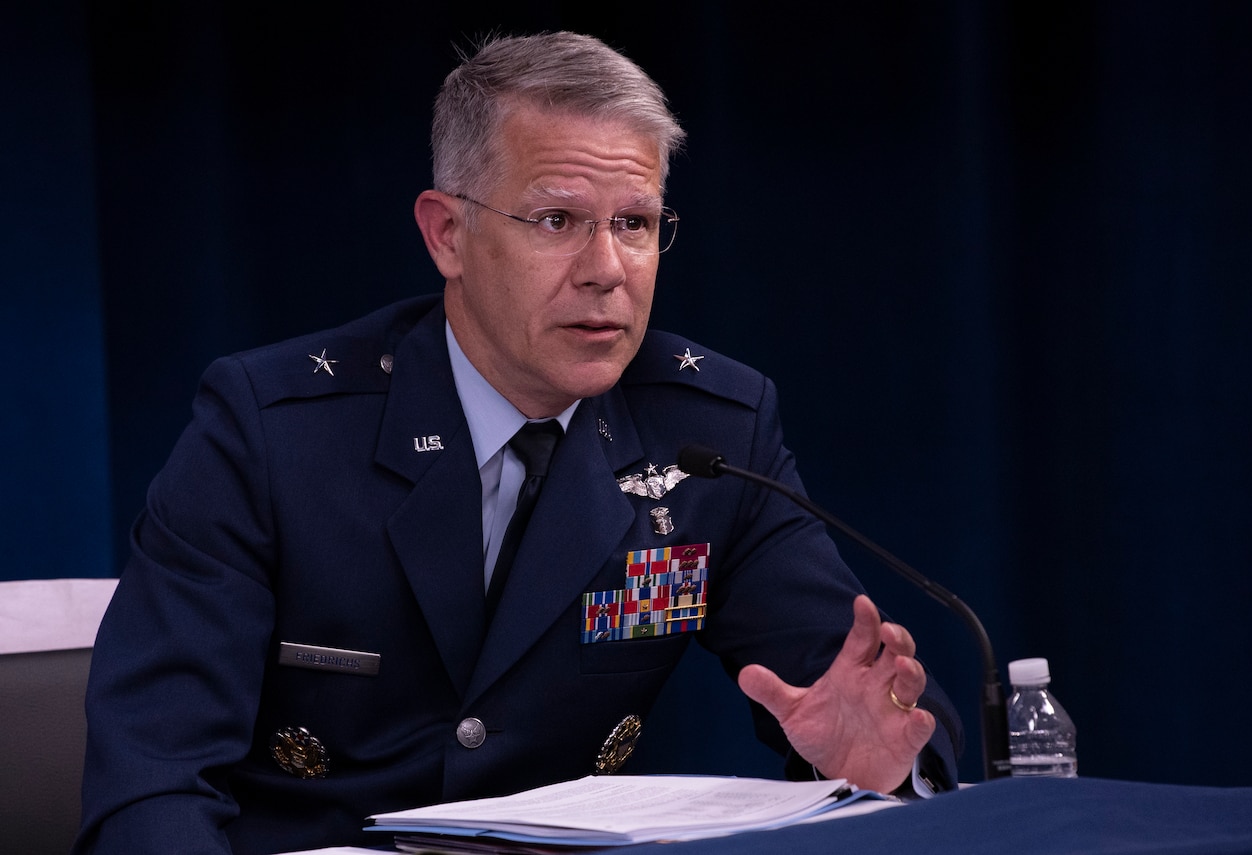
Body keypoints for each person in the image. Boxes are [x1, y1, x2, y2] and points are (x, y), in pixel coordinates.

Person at [75, 31, 962, 855]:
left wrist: (880, 766)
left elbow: (852, 697)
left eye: (636, 223)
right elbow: (150, 783)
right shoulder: (271, 431)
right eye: (557, 220)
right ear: (447, 232)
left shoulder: (713, 431)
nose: (606, 268)